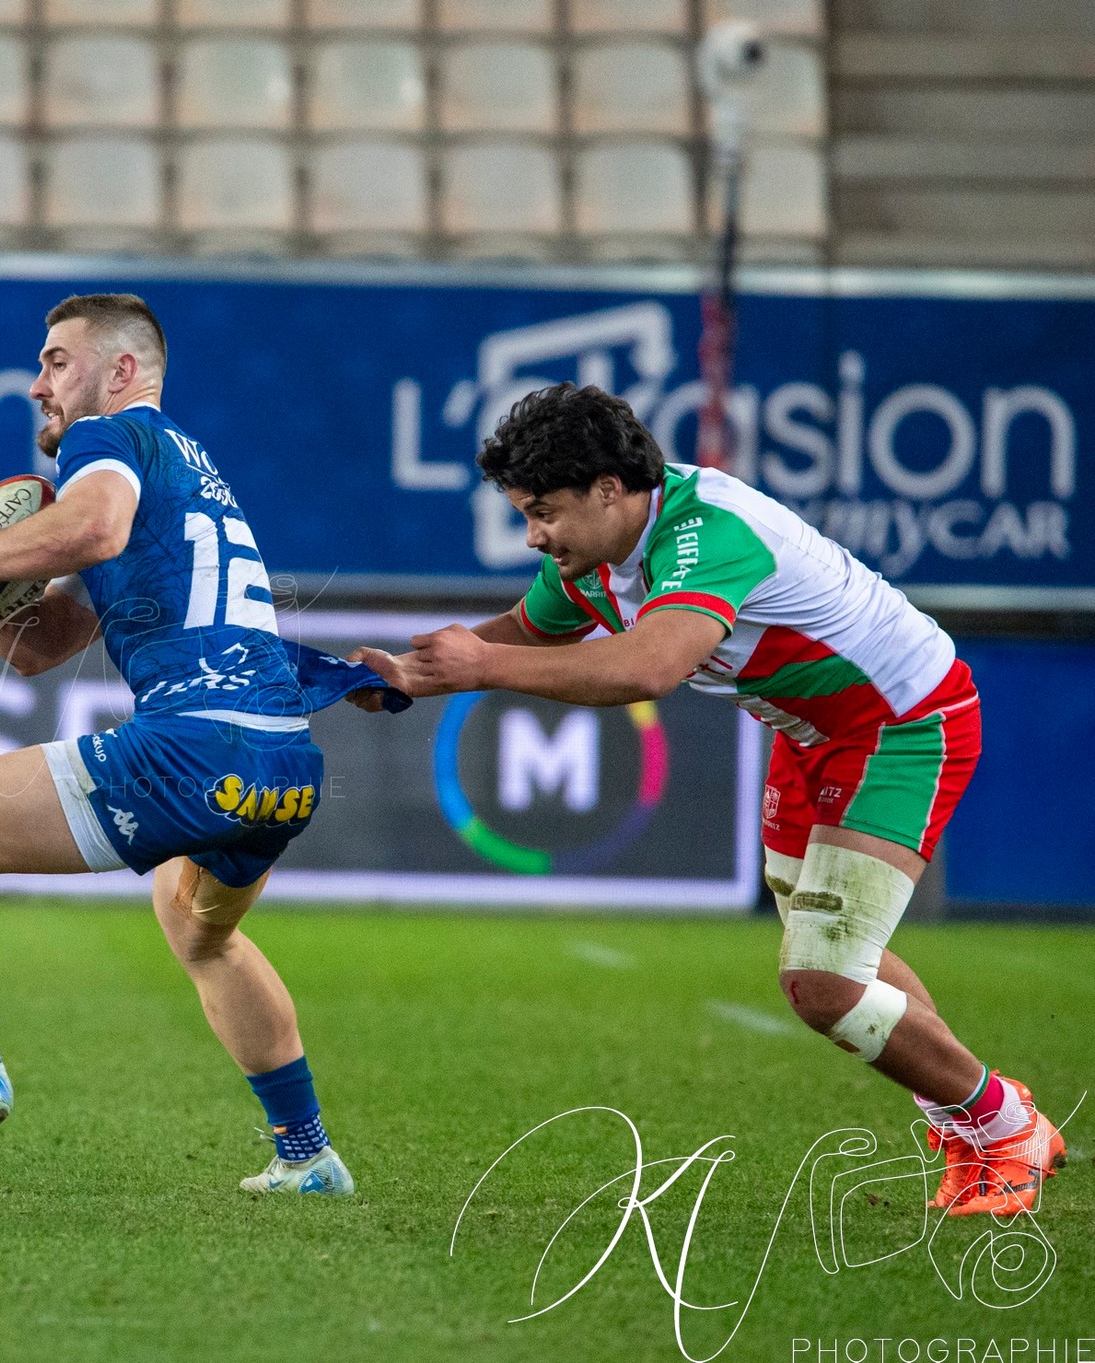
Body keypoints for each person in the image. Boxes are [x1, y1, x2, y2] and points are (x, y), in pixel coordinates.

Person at [355, 382, 1063, 1218]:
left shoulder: (706, 529)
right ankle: (973, 1122)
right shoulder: (594, 554)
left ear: (610, 489)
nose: (533, 535)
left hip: (903, 723)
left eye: (543, 511)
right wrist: (416, 676)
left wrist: (478, 667)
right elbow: (525, 631)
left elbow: (644, 667)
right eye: (523, 512)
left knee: (823, 979)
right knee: (833, 957)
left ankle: (1006, 1123)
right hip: (809, 732)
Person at [0, 293, 404, 1196]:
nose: (38, 385)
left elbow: (93, 527)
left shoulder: (105, 440)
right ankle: (308, 1154)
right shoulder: (185, 462)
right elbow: (45, 644)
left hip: (194, 747)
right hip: (284, 755)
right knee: (199, 930)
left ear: (122, 373)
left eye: (57, 361)